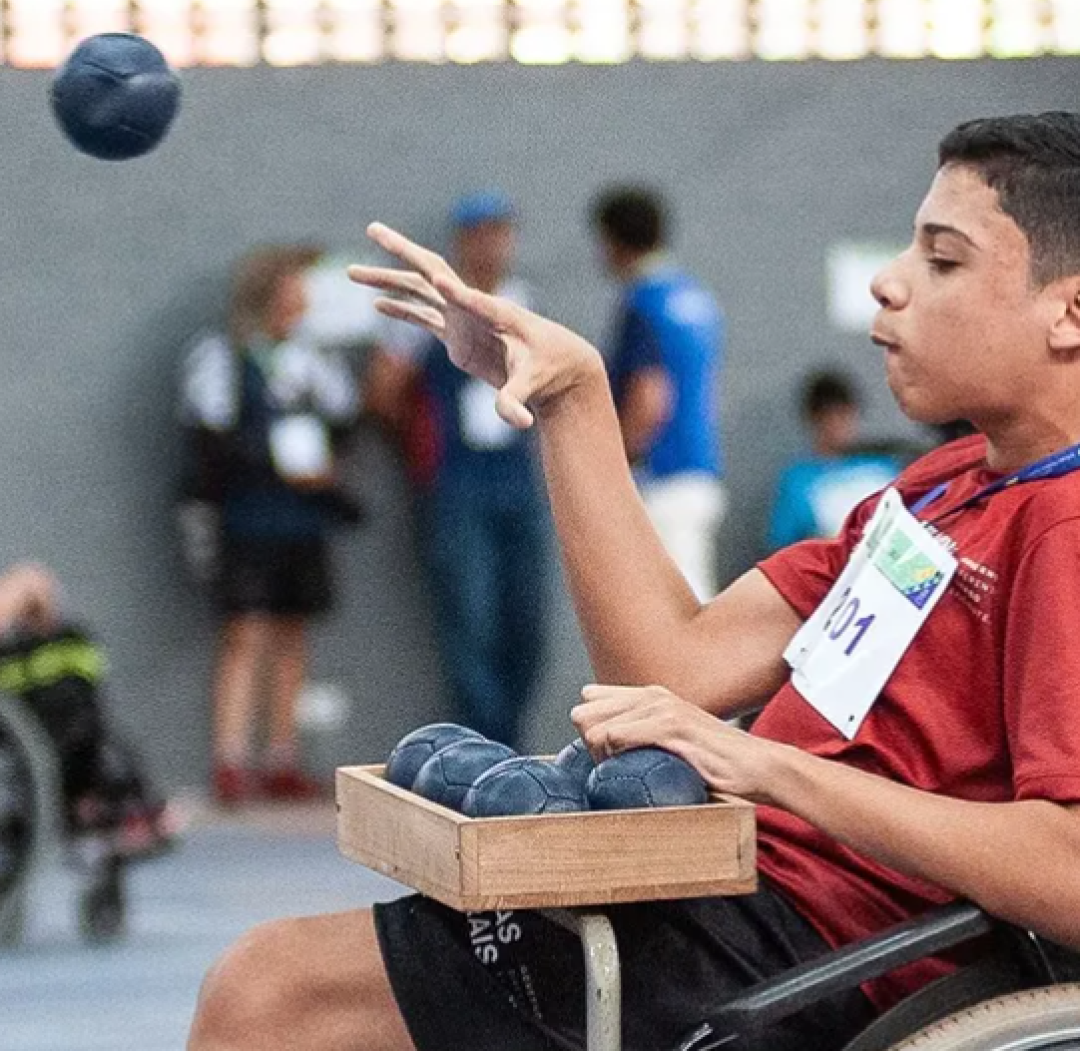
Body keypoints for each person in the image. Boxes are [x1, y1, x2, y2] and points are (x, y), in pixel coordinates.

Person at [189, 112, 1080, 1051]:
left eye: (942, 260)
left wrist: (772, 770)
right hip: (726, 886)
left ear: (1069, 310)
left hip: (825, 956)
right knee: (264, 981)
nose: (889, 280)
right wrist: (574, 398)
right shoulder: (941, 485)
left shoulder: (1063, 525)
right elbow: (675, 667)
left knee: (273, 998)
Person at [363, 191, 547, 748]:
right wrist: (422, 440)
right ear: (462, 240)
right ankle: (485, 738)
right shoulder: (432, 304)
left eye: (501, 232)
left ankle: (512, 733)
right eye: (481, 233)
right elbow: (382, 389)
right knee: (470, 615)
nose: (492, 245)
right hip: (457, 481)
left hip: (515, 475)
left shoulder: (523, 301)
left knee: (526, 615)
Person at [179, 245, 361, 807]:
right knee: (244, 631)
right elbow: (208, 437)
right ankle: (231, 754)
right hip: (250, 511)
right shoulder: (225, 357)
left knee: (292, 631)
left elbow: (343, 419)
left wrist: (320, 467)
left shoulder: (311, 360)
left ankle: (282, 752)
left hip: (301, 515)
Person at [594, 186, 727, 600]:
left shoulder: (642, 305)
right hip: (700, 468)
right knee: (693, 595)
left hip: (663, 477)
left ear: (614, 241)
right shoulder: (696, 299)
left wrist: (614, 466)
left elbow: (649, 396)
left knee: (676, 609)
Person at [0, 564, 173, 861]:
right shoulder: (9, 649)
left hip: (74, 735)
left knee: (107, 745)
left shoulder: (71, 637)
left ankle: (133, 812)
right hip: (28, 743)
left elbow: (87, 687)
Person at [767, 368, 905, 549]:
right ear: (814, 420)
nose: (838, 426)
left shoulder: (881, 467)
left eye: (844, 415)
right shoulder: (798, 479)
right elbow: (782, 543)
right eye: (829, 417)